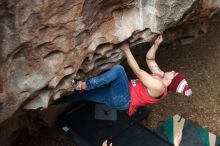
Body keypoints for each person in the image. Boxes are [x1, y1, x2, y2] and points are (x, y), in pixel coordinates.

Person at [55, 35, 192, 116]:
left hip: (123, 98)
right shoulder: (161, 76)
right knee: (84, 95)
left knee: (119, 71)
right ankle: (54, 102)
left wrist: (126, 50)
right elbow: (150, 60)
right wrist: (156, 45)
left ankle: (85, 84)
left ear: (170, 82)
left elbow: (138, 71)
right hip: (120, 95)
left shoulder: (159, 86)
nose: (173, 71)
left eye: (174, 74)